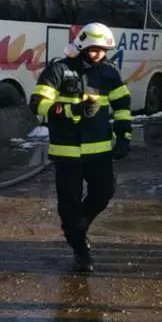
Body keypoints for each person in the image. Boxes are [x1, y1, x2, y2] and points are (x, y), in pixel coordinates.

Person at [29, 23, 132, 273]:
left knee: (103, 193)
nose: (98, 54)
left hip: (99, 150)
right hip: (67, 151)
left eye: (103, 50)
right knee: (69, 203)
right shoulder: (59, 70)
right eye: (94, 49)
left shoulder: (109, 72)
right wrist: (70, 110)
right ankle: (80, 251)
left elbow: (122, 104)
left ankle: (77, 228)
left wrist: (124, 135)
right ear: (83, 45)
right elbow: (38, 104)